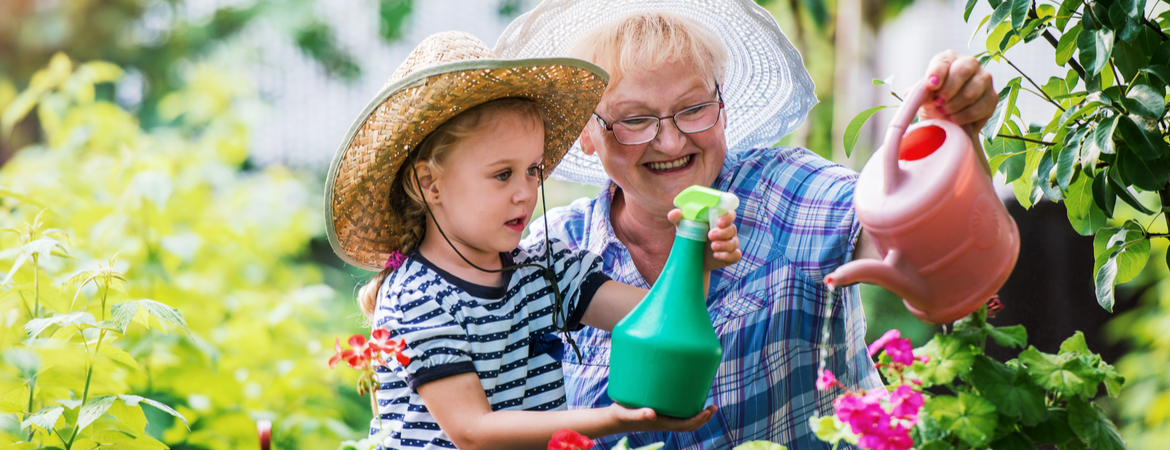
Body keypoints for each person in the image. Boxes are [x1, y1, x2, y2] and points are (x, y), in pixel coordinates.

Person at [495, 1, 1000, 448]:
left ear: (723, 106)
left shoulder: (788, 192)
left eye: (693, 109)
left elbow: (916, 253)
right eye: (634, 120)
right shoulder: (550, 254)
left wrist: (955, 128)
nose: (671, 143)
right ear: (588, 133)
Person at [323, 32, 743, 450]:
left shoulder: (544, 271)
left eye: (533, 171)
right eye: (502, 174)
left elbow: (658, 319)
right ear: (431, 184)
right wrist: (610, 419)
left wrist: (694, 259)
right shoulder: (418, 296)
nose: (525, 191)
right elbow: (472, 431)